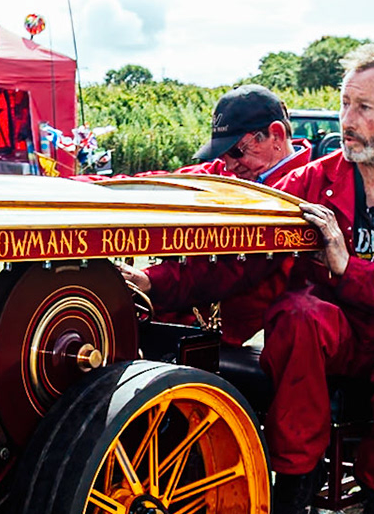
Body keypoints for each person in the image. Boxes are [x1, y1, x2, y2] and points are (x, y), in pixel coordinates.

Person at [205, 46, 374, 514]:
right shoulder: (310, 181)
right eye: (345, 104)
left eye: (364, 107)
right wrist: (155, 285)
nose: (347, 120)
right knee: (297, 312)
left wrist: (349, 270)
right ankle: (295, 475)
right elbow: (245, 262)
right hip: (330, 337)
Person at [118, 85, 311, 345]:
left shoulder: (303, 190)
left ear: (276, 135)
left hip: (229, 335)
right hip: (190, 315)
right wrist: (89, 186)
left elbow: (235, 268)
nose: (229, 164)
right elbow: (161, 184)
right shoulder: (227, 173)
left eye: (236, 151)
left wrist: (151, 280)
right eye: (223, 154)